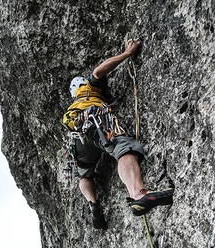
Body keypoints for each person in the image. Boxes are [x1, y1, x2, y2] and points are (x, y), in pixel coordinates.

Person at [62, 39, 173, 229]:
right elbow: (98, 72)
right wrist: (127, 53)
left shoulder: (73, 106)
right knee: (123, 148)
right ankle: (138, 195)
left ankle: (93, 204)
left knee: (85, 176)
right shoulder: (88, 88)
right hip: (94, 119)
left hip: (77, 137)